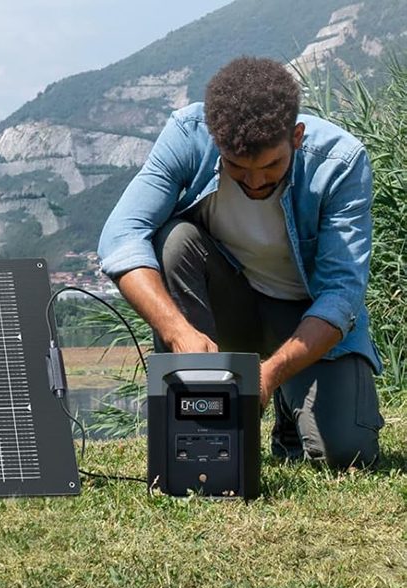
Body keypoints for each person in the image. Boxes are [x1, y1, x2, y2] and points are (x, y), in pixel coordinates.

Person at [97, 56, 383, 469]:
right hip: (231, 303)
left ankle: (287, 405)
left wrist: (267, 378)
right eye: (237, 167)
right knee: (173, 241)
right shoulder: (184, 134)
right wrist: (178, 332)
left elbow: (341, 294)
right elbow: (119, 237)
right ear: (215, 140)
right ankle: (192, 424)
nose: (255, 182)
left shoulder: (342, 163)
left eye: (271, 166)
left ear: (297, 137)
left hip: (306, 317)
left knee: (346, 454)